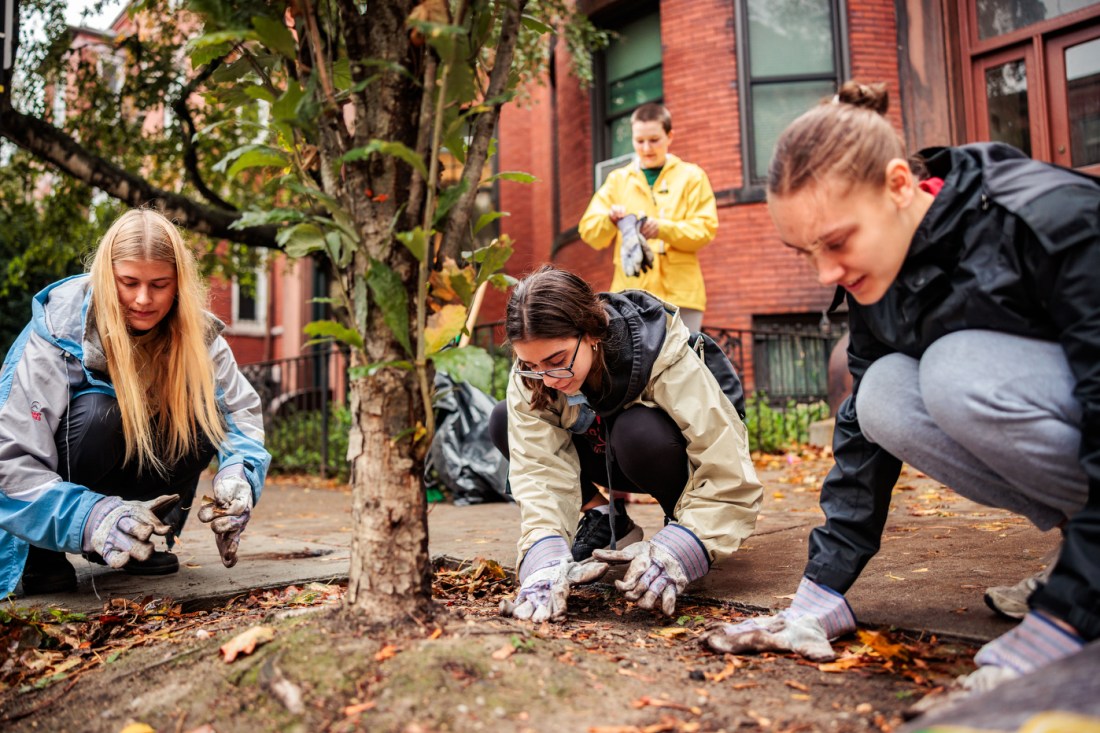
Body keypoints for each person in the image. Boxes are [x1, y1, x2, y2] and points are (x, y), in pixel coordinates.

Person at [705, 81, 1098, 696]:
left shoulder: (1047, 219)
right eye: (806, 252)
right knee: (881, 393)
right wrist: (819, 598)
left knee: (953, 371)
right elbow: (863, 434)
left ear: (897, 185)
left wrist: (1069, 615)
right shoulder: (884, 268)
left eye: (835, 242)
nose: (826, 273)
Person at [0, 209, 271, 597]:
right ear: (107, 278)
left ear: (178, 283)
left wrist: (238, 477)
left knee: (203, 413)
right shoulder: (58, 329)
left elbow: (239, 415)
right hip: (59, 489)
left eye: (159, 284)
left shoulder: (199, 334)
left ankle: (141, 535)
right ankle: (42, 553)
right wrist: (91, 518)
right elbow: (10, 462)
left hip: (132, 474)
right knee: (101, 412)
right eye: (129, 283)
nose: (143, 300)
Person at [492, 265, 762, 622]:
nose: (546, 378)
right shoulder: (537, 371)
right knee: (503, 419)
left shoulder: (660, 350)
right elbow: (539, 469)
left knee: (639, 430)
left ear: (591, 332)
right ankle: (607, 519)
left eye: (557, 362)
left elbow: (728, 469)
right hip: (603, 457)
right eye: (531, 365)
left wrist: (684, 547)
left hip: (656, 457)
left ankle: (682, 521)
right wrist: (543, 558)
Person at [578, 103, 718, 334]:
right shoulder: (617, 180)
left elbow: (704, 229)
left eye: (654, 140)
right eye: (639, 141)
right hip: (630, 296)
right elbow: (589, 232)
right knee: (636, 369)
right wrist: (609, 221)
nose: (646, 148)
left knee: (684, 367)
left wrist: (662, 229)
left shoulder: (692, 177)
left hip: (681, 295)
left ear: (669, 136)